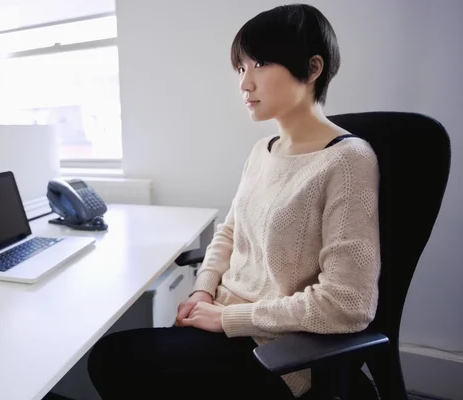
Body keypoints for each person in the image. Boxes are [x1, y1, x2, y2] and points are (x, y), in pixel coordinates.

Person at [88, 3, 381, 399]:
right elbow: (230, 231)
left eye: (259, 64)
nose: (245, 83)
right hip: (225, 321)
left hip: (278, 353)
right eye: (241, 69)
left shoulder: (348, 160)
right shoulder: (264, 150)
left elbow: (348, 304)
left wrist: (227, 318)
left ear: (313, 69)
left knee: (111, 358)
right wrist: (201, 292)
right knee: (116, 354)